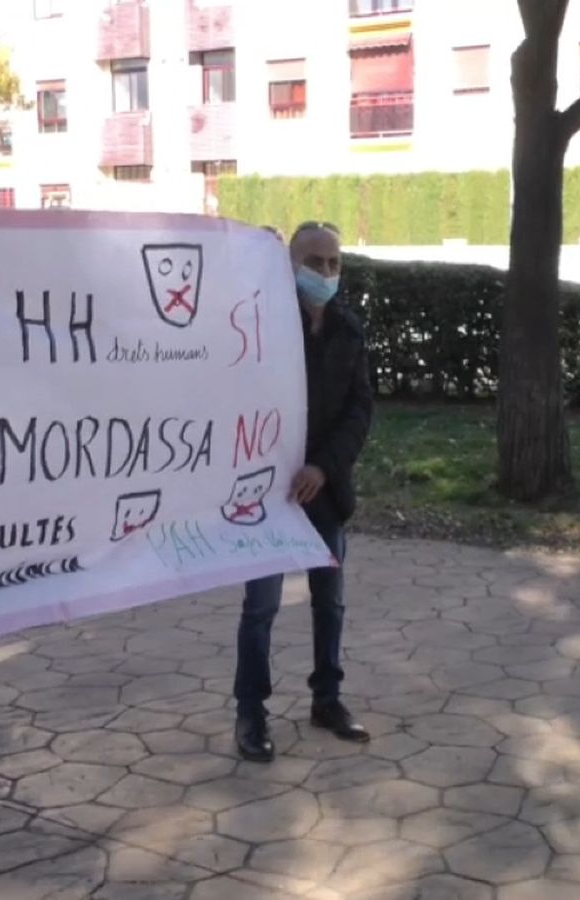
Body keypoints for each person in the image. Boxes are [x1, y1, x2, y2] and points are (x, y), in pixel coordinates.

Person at [234, 221, 374, 763]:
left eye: (335, 263)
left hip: (326, 489)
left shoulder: (349, 331)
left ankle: (327, 699)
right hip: (266, 494)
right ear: (289, 265)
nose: (326, 273)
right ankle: (251, 713)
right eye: (314, 262)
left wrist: (323, 465)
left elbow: (361, 410)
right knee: (260, 607)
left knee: (329, 602)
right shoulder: (262, 326)